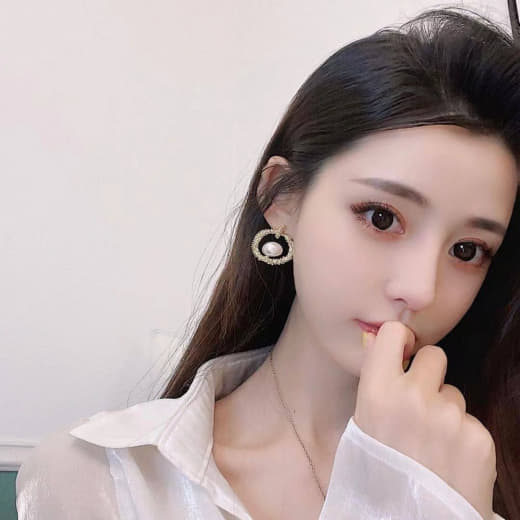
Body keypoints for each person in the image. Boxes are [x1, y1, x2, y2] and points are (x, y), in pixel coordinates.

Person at [15, 5, 520, 520]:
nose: (420, 289)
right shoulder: (98, 479)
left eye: (467, 250)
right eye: (381, 218)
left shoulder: (483, 480)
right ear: (282, 198)